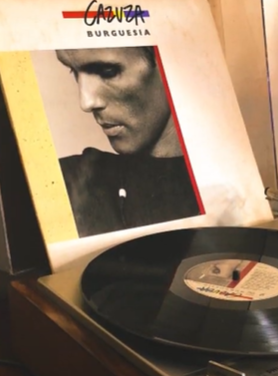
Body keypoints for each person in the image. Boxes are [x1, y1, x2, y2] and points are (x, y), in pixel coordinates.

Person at [55, 46, 202, 238]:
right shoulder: (68, 182)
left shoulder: (229, 181)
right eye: (74, 71)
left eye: (108, 71)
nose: (86, 102)